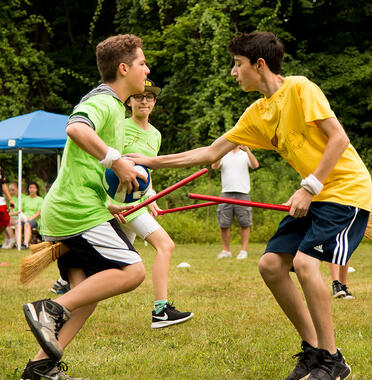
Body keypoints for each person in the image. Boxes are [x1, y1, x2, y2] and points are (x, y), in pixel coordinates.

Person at [130, 31, 372, 380]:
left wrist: (309, 186)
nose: (233, 72)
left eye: (238, 64)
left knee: (305, 263)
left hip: (345, 190)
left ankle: (333, 360)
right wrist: (151, 162)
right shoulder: (258, 113)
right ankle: (313, 350)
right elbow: (210, 153)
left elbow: (339, 138)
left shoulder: (300, 88)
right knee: (271, 265)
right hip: (316, 193)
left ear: (259, 65)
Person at [20, 34, 149, 380]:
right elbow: (76, 128)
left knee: (85, 297)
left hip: (74, 208)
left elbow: (82, 169)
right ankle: (49, 309)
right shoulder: (105, 101)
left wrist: (109, 204)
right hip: (75, 213)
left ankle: (39, 370)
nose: (147, 69)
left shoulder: (113, 107)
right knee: (134, 271)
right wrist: (116, 160)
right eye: (141, 63)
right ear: (123, 68)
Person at [110, 78, 193, 328]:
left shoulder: (155, 134)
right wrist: (107, 203)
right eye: (138, 96)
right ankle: (161, 310)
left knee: (114, 263)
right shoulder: (119, 127)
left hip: (137, 202)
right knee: (165, 245)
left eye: (149, 97)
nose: (144, 100)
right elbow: (105, 164)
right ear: (130, 101)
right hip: (120, 205)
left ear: (154, 102)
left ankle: (67, 286)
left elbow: (147, 171)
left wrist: (150, 196)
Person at [211, 145, 259, 260]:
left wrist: (248, 150)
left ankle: (243, 251)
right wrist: (221, 152)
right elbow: (214, 166)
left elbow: (255, 165)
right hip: (226, 193)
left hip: (243, 193)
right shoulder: (224, 154)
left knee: (245, 223)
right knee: (224, 224)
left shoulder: (245, 154)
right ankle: (226, 250)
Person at [15, 182, 44, 249]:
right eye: (30, 187)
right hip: (24, 218)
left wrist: (30, 218)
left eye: (33, 188)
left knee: (27, 224)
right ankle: (18, 244)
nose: (32, 189)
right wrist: (21, 217)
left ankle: (25, 243)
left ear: (37, 189)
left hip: (34, 220)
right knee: (18, 224)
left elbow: (38, 212)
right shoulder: (25, 199)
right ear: (28, 189)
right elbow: (21, 211)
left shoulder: (40, 199)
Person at [0, 166, 14, 248]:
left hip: (1, 199)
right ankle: (8, 238)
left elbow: (4, 185)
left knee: (5, 220)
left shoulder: (1, 170)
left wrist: (10, 199)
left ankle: (10, 238)